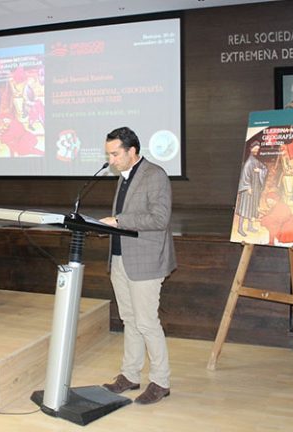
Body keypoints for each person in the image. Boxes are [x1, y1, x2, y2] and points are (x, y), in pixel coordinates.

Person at [98, 126, 176, 405]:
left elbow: (159, 219)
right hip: (121, 258)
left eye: (115, 154)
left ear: (132, 151)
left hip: (146, 260)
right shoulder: (124, 177)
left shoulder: (154, 175)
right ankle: (130, 375)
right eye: (108, 154)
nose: (111, 160)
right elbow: (126, 216)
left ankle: (161, 381)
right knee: (129, 320)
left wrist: (118, 221)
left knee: (146, 322)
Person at [235, 143, 268, 237]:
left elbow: (264, 168)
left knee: (253, 207)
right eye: (255, 149)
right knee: (244, 208)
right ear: (251, 149)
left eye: (258, 149)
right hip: (248, 190)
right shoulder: (249, 162)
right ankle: (240, 228)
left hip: (255, 189)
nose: (256, 151)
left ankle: (250, 226)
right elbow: (244, 176)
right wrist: (248, 187)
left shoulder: (256, 161)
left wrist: (260, 171)